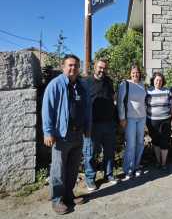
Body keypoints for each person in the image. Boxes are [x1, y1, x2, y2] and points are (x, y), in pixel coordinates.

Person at [42, 54, 91, 215]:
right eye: (70, 65)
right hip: (60, 135)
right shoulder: (55, 85)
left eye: (76, 65)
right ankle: (57, 200)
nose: (73, 68)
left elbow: (87, 109)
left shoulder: (82, 86)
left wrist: (88, 127)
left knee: (72, 168)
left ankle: (69, 195)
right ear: (63, 67)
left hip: (78, 134)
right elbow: (47, 110)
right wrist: (48, 132)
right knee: (58, 169)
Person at [83, 59, 117, 192]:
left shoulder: (109, 81)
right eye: (100, 68)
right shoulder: (86, 82)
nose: (102, 70)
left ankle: (108, 174)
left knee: (109, 152)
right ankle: (90, 179)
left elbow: (113, 98)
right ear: (94, 67)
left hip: (109, 123)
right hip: (93, 125)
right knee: (90, 153)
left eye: (104, 68)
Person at [117, 65, 147, 180]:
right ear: (130, 73)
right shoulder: (125, 84)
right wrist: (122, 118)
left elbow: (144, 101)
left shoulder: (142, 84)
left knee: (140, 143)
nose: (136, 74)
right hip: (130, 118)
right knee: (131, 144)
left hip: (142, 118)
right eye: (133, 72)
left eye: (137, 72)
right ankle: (128, 169)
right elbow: (120, 102)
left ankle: (136, 166)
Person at [146, 72, 172, 171]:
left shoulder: (167, 91)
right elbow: (144, 105)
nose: (158, 82)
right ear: (153, 81)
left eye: (160, 80)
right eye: (156, 80)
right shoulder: (148, 91)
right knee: (156, 141)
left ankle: (164, 163)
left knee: (164, 141)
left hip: (165, 120)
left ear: (163, 81)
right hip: (152, 120)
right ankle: (158, 161)